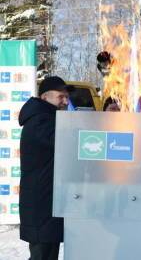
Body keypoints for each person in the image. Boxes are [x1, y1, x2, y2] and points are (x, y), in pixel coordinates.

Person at [19, 76, 74, 260]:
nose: (65, 102)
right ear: (44, 98)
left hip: (47, 206)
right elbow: (67, 142)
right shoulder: (41, 121)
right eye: (61, 97)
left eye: (67, 97)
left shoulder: (48, 118)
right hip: (41, 207)